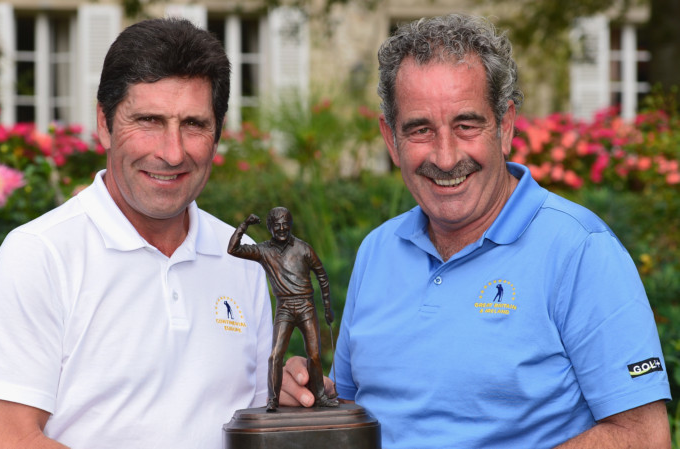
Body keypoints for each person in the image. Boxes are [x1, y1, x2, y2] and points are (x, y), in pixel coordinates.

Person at [281, 14, 672, 448]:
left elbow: (644, 437)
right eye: (420, 129)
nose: (446, 158)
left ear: (505, 126)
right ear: (390, 139)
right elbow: (355, 412)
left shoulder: (580, 250)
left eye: (466, 125)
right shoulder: (378, 250)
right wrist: (307, 394)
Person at [0, 18, 272, 449]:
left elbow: (257, 428)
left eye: (194, 124)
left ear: (217, 133)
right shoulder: (40, 255)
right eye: (149, 120)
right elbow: (1, 440)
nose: (172, 152)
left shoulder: (244, 258)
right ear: (104, 123)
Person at [228, 208, 339, 411]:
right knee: (276, 355)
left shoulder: (303, 248)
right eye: (277, 225)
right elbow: (233, 249)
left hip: (306, 305)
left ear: (291, 224)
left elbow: (322, 275)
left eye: (285, 224)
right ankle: (273, 399)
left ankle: (321, 395)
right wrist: (244, 225)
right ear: (270, 227)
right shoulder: (263, 250)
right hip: (285, 307)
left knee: (314, 354)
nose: (281, 228)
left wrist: (327, 307)